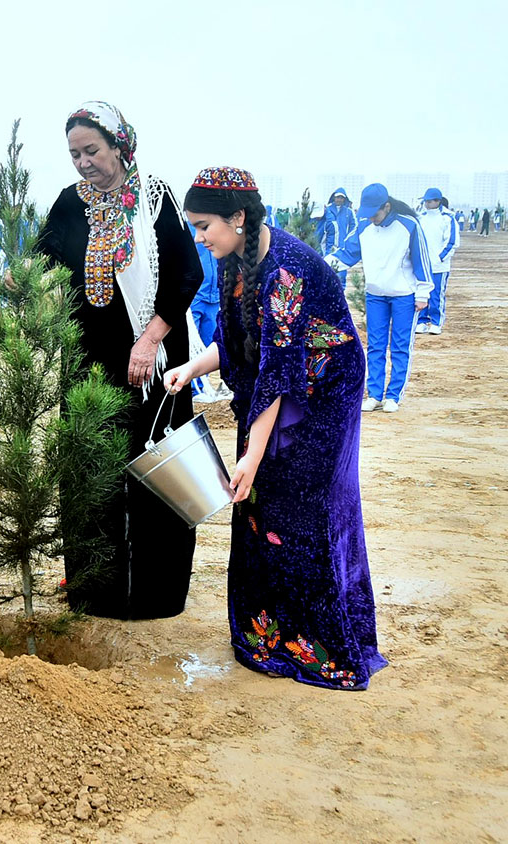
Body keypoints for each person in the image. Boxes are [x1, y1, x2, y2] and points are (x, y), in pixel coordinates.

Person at [167, 166, 387, 691]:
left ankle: (320, 643)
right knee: (259, 501)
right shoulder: (233, 259)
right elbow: (237, 340)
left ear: (237, 218)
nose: (199, 237)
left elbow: (277, 371)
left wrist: (251, 453)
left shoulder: (286, 270)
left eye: (204, 226)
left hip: (321, 394)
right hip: (278, 387)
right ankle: (268, 631)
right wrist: (192, 369)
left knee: (305, 505)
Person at [35, 101, 202, 620]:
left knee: (159, 473)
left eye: (92, 151)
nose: (83, 162)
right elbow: (40, 259)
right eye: (74, 154)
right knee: (91, 472)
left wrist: (151, 339)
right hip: (88, 364)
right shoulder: (68, 204)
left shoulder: (152, 200)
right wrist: (19, 278)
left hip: (152, 365)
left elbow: (186, 275)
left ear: (120, 147)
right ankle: (95, 592)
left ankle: (158, 595)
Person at [327, 183, 433, 412]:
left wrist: (423, 293)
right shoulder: (364, 227)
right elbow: (346, 254)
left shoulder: (409, 226)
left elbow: (421, 261)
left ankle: (393, 396)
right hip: (375, 296)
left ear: (386, 207)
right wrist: (319, 265)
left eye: (375, 213)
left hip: (405, 296)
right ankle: (374, 394)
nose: (371, 218)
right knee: (375, 346)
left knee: (400, 346)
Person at [416, 188, 458, 336]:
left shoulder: (447, 218)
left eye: (429, 201)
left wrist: (439, 258)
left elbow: (452, 242)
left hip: (439, 266)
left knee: (436, 295)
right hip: (422, 266)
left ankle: (436, 322)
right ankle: (421, 321)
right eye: (425, 201)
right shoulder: (420, 217)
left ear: (437, 201)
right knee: (421, 294)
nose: (426, 204)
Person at [186, 222, 220, 401]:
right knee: (192, 342)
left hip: (214, 296)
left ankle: (203, 385)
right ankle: (192, 388)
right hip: (196, 295)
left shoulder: (217, 224)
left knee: (209, 342)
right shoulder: (190, 227)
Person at [320, 188, 356, 288]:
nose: (339, 200)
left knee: (341, 271)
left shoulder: (349, 212)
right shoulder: (327, 210)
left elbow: (354, 227)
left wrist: (348, 241)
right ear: (334, 198)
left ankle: (341, 291)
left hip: (342, 245)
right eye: (337, 197)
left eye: (341, 197)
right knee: (327, 269)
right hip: (329, 245)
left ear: (344, 199)